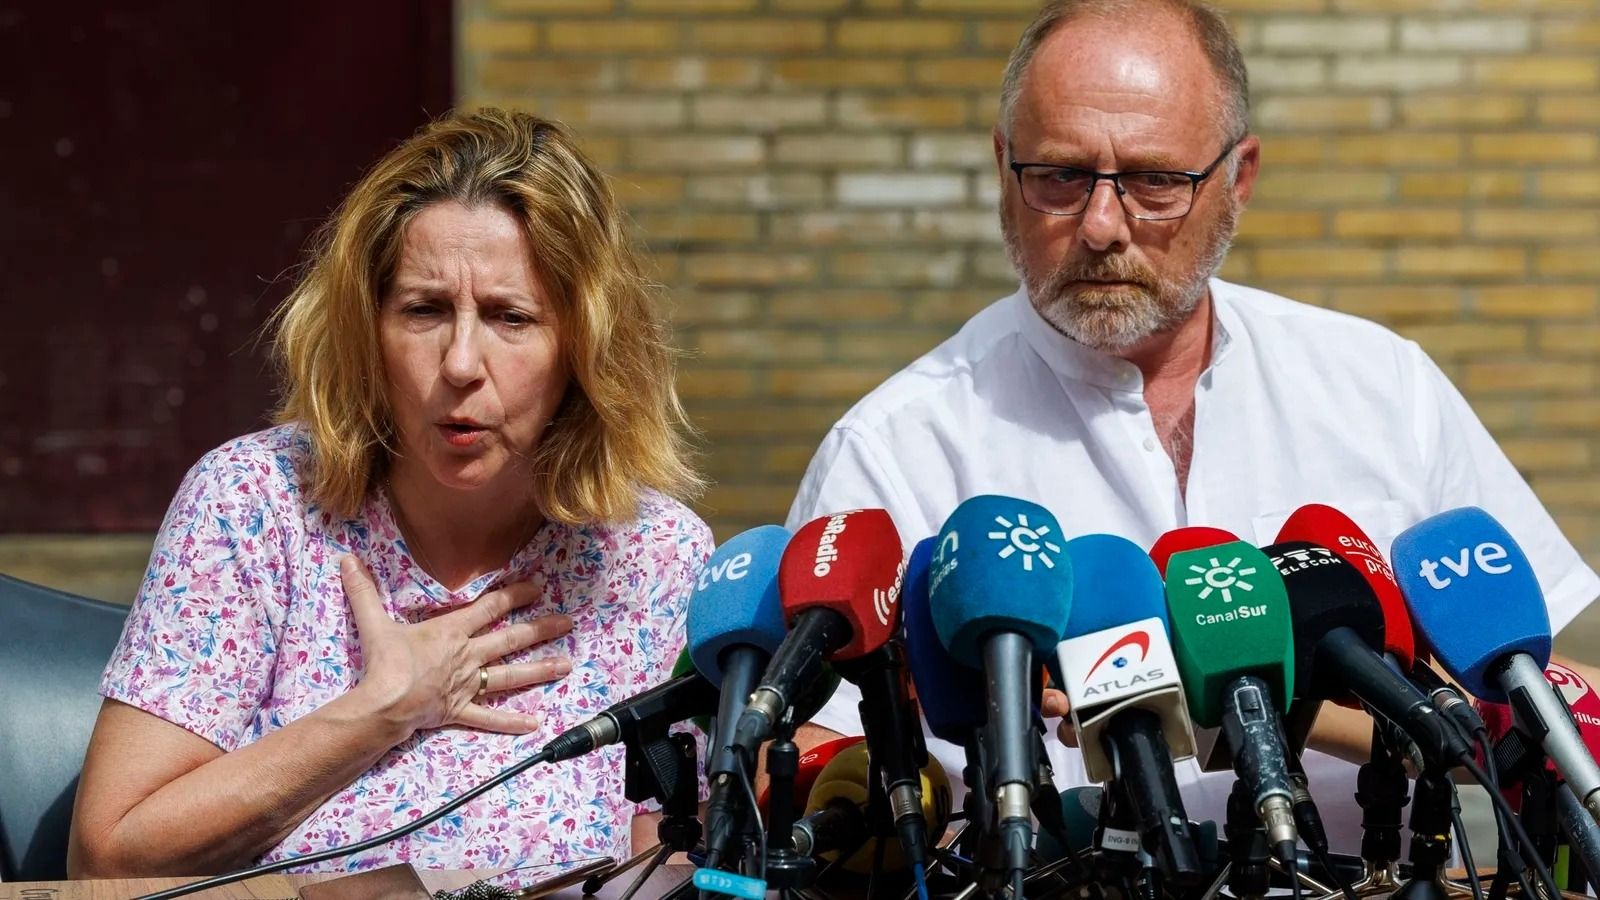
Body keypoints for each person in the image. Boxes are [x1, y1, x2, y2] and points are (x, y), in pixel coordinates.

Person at [786, 0, 1600, 850]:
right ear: (1002, 165)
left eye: (1153, 181)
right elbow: (821, 762)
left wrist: (1280, 688)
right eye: (1060, 176)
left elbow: (1550, 701)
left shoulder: (1382, 386)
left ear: (1239, 176)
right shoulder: (893, 447)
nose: (1101, 226)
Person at [68, 109, 711, 877]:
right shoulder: (254, 503)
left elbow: (665, 870)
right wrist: (383, 711)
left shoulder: (652, 555)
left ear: (582, 347)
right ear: (365, 327)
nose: (462, 363)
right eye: (424, 310)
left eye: (512, 317)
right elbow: (106, 858)